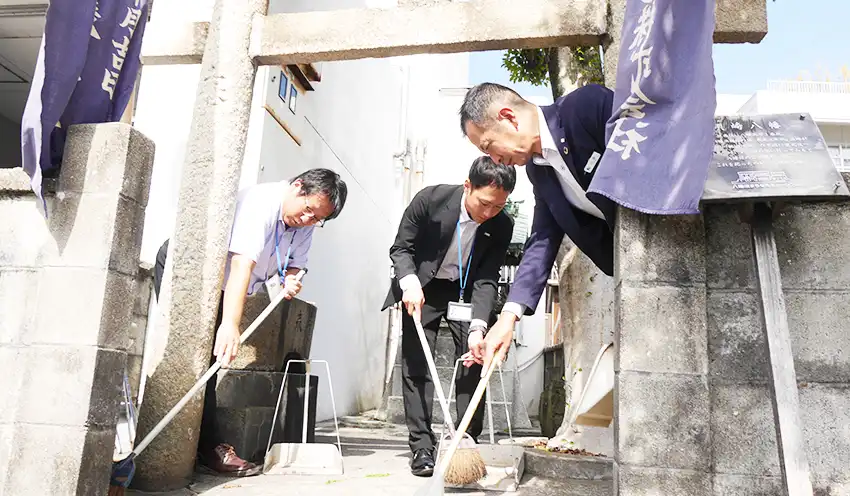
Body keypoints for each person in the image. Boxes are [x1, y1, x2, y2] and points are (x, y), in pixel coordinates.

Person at [152, 168, 347, 476]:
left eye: (317, 219)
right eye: (308, 211)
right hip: (191, 270)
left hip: (225, 285)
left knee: (208, 367)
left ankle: (204, 447)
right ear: (298, 187)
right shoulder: (262, 203)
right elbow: (242, 264)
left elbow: (297, 264)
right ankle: (193, 447)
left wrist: (293, 280)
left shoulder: (304, 221)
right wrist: (230, 325)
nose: (308, 220)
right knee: (191, 358)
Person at [458, 82, 616, 372]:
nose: (494, 160)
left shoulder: (586, 107)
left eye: (488, 146)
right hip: (624, 272)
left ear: (508, 116)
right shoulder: (538, 170)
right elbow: (542, 239)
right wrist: (508, 317)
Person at [381, 157, 516, 477]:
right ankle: (422, 445)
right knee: (417, 364)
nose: (488, 213)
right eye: (484, 203)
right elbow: (401, 249)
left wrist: (479, 327)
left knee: (474, 360)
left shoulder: (501, 224)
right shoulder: (430, 201)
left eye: (498, 207)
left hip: (466, 293)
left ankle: (465, 439)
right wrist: (409, 282)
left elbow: (486, 277)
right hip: (423, 286)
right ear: (468, 186)